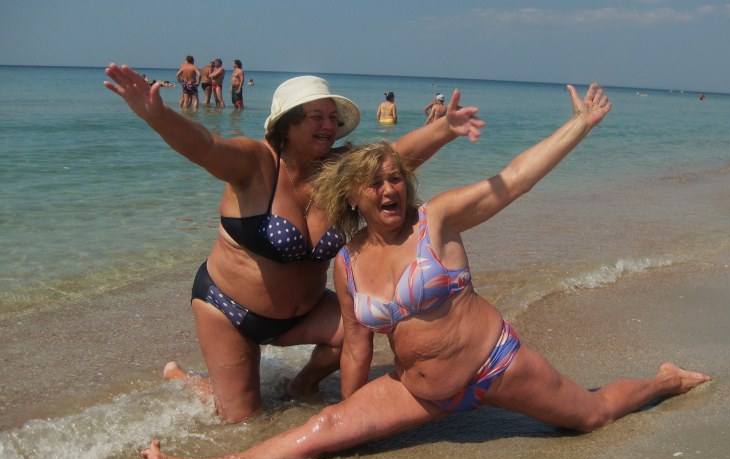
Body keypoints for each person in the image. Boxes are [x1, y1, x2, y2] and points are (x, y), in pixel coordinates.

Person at [139, 83, 710, 459]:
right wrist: (353, 416)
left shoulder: (438, 218)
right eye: (376, 184)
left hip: (495, 365)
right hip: (417, 389)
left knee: (590, 416)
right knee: (327, 427)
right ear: (353, 196)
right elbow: (358, 344)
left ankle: (662, 381)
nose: (389, 189)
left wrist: (579, 124)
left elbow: (514, 179)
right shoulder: (350, 259)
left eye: (396, 180)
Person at [103, 63, 484, 424]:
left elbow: (397, 158)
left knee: (359, 327)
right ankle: (188, 381)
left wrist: (446, 128)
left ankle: (302, 384)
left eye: (333, 117)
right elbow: (206, 146)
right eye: (317, 116)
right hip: (230, 312)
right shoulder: (255, 164)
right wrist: (159, 116)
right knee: (241, 420)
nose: (329, 125)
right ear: (286, 124)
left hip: (305, 314)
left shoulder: (340, 169)